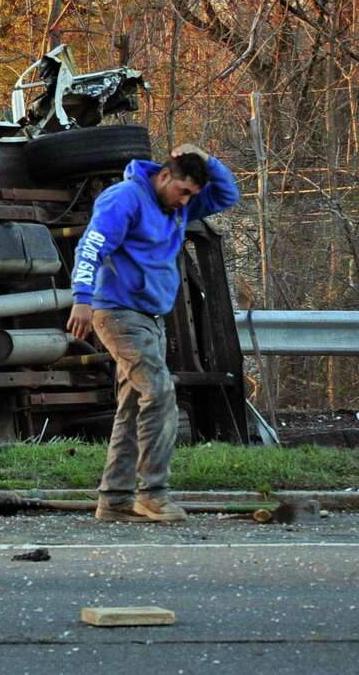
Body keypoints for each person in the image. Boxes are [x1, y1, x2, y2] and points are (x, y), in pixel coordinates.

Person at [66, 143, 239, 523]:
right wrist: (81, 298)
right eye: (183, 191)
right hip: (117, 313)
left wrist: (206, 158)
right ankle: (153, 494)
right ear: (164, 176)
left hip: (150, 318)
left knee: (133, 406)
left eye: (192, 195)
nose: (186, 202)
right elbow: (90, 246)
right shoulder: (125, 198)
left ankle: (114, 499)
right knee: (160, 394)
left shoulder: (179, 204)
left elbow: (228, 194)